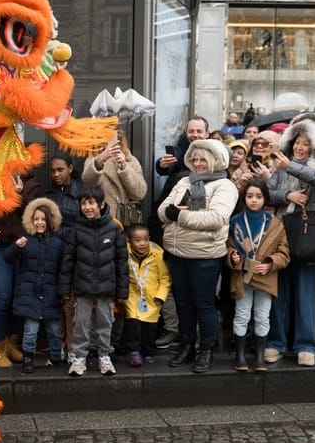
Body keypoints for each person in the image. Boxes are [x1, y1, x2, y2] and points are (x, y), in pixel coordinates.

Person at [158, 139, 238, 373]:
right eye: (195, 159)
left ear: (215, 160)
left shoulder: (225, 185)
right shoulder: (184, 180)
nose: (198, 163)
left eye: (203, 159)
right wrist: (171, 212)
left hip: (204, 256)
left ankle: (206, 350)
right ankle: (186, 345)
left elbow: (216, 218)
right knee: (183, 304)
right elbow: (163, 210)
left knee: (203, 305)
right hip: (176, 252)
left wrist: (179, 216)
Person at [265, 118, 315, 367]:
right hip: (281, 235)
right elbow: (264, 192)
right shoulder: (279, 166)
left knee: (306, 293)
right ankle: (276, 343)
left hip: (309, 236)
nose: (300, 147)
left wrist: (292, 167)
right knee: (279, 292)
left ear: (314, 147)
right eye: (296, 142)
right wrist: (286, 195)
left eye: (305, 143)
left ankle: (306, 346)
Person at [59, 185, 128, 377]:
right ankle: (79, 358)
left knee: (105, 323)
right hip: (82, 287)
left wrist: (122, 291)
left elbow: (122, 262)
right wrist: (65, 289)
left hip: (107, 288)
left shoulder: (114, 228)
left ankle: (104, 356)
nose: (87, 207)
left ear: (101, 204)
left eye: (91, 203)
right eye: (83, 203)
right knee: (81, 323)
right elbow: (68, 261)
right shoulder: (76, 230)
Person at [226, 180, 290, 372]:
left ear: (265, 199)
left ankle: (260, 357)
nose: (254, 200)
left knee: (263, 316)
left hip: (265, 278)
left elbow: (284, 252)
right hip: (242, 276)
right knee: (242, 315)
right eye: (250, 196)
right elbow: (227, 246)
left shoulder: (275, 223)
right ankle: (240, 356)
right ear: (244, 198)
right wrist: (232, 256)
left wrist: (271, 263)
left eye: (258, 196)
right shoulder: (235, 220)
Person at [4, 197, 65, 373]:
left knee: (54, 329)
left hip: (50, 292)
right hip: (29, 292)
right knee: (30, 329)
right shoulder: (25, 240)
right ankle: (28, 358)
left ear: (50, 221)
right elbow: (7, 258)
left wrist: (62, 291)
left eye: (43, 219)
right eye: (36, 219)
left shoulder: (58, 243)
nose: (39, 223)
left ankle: (56, 357)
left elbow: (62, 268)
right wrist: (16, 247)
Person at [0, 172, 41, 368]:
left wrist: (19, 195)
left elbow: (36, 214)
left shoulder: (31, 185)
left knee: (20, 296)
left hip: (22, 245)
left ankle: (12, 343)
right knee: (3, 296)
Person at [45, 151, 83, 362]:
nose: (56, 174)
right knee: (56, 299)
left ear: (70, 168)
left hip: (74, 252)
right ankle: (57, 344)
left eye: (60, 169)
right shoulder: (48, 194)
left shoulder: (81, 192)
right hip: (53, 251)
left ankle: (73, 345)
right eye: (53, 171)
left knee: (72, 301)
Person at [120, 223, 170, 367]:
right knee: (133, 324)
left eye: (145, 239)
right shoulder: (125, 253)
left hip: (152, 297)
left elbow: (165, 278)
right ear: (129, 241)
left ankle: (148, 351)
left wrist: (161, 296)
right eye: (137, 240)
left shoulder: (157, 254)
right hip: (132, 296)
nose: (142, 243)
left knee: (149, 328)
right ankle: (134, 352)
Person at [81, 129, 147, 227]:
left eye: (114, 139)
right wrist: (100, 160)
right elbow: (88, 184)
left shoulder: (131, 161)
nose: (110, 144)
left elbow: (139, 194)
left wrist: (124, 167)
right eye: (104, 139)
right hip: (103, 218)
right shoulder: (93, 159)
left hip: (126, 220)